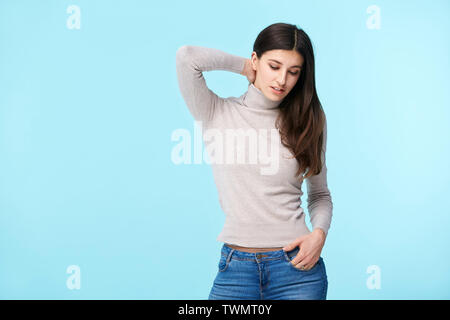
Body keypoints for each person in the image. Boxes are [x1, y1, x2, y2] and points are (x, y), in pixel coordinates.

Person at [175, 22, 333, 300]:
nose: (282, 79)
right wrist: (244, 67)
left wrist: (319, 234)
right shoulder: (216, 112)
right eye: (274, 66)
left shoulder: (309, 122)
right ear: (255, 60)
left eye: (293, 72)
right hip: (235, 270)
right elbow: (187, 57)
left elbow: (319, 194)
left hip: (297, 271)